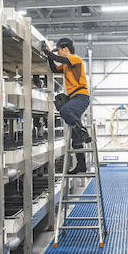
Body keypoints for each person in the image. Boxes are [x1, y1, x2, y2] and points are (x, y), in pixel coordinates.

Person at [41, 37, 92, 174]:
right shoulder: (65, 65)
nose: (58, 53)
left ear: (65, 49)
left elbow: (63, 60)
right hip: (74, 98)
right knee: (75, 139)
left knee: (65, 110)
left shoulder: (75, 59)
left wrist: (47, 52)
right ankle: (81, 165)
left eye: (59, 50)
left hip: (81, 97)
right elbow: (53, 69)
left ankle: (83, 131)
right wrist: (49, 56)